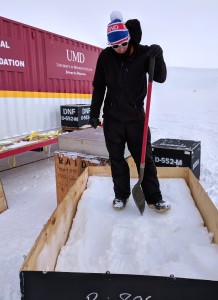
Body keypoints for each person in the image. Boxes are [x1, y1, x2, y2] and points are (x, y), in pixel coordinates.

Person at [89, 11, 171, 213]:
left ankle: (154, 197)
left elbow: (160, 77)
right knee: (116, 159)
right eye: (114, 46)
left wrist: (158, 56)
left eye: (123, 44)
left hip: (136, 118)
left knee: (145, 158)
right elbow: (99, 86)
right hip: (113, 118)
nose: (120, 49)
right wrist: (94, 112)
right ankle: (121, 195)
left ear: (128, 38)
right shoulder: (105, 57)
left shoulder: (143, 53)